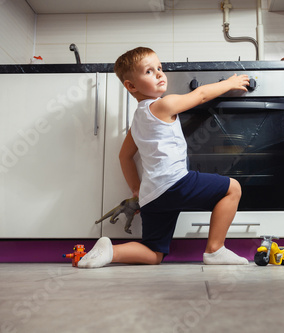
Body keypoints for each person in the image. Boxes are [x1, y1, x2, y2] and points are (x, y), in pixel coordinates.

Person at [78, 47, 250, 268]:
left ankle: (111, 251)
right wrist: (229, 83)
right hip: (175, 183)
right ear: (131, 86)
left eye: (159, 68)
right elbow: (200, 95)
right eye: (149, 71)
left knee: (154, 252)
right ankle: (215, 250)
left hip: (152, 196)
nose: (159, 74)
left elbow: (124, 156)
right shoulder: (164, 105)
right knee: (233, 188)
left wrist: (137, 191)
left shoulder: (138, 120)